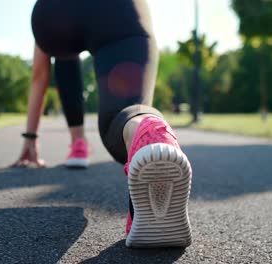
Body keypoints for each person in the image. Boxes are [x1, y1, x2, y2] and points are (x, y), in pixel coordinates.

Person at [13, 0, 193, 248]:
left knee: (64, 52)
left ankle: (78, 143)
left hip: (52, 13)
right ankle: (147, 129)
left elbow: (40, 74)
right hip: (118, 11)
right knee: (122, 118)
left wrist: (30, 138)